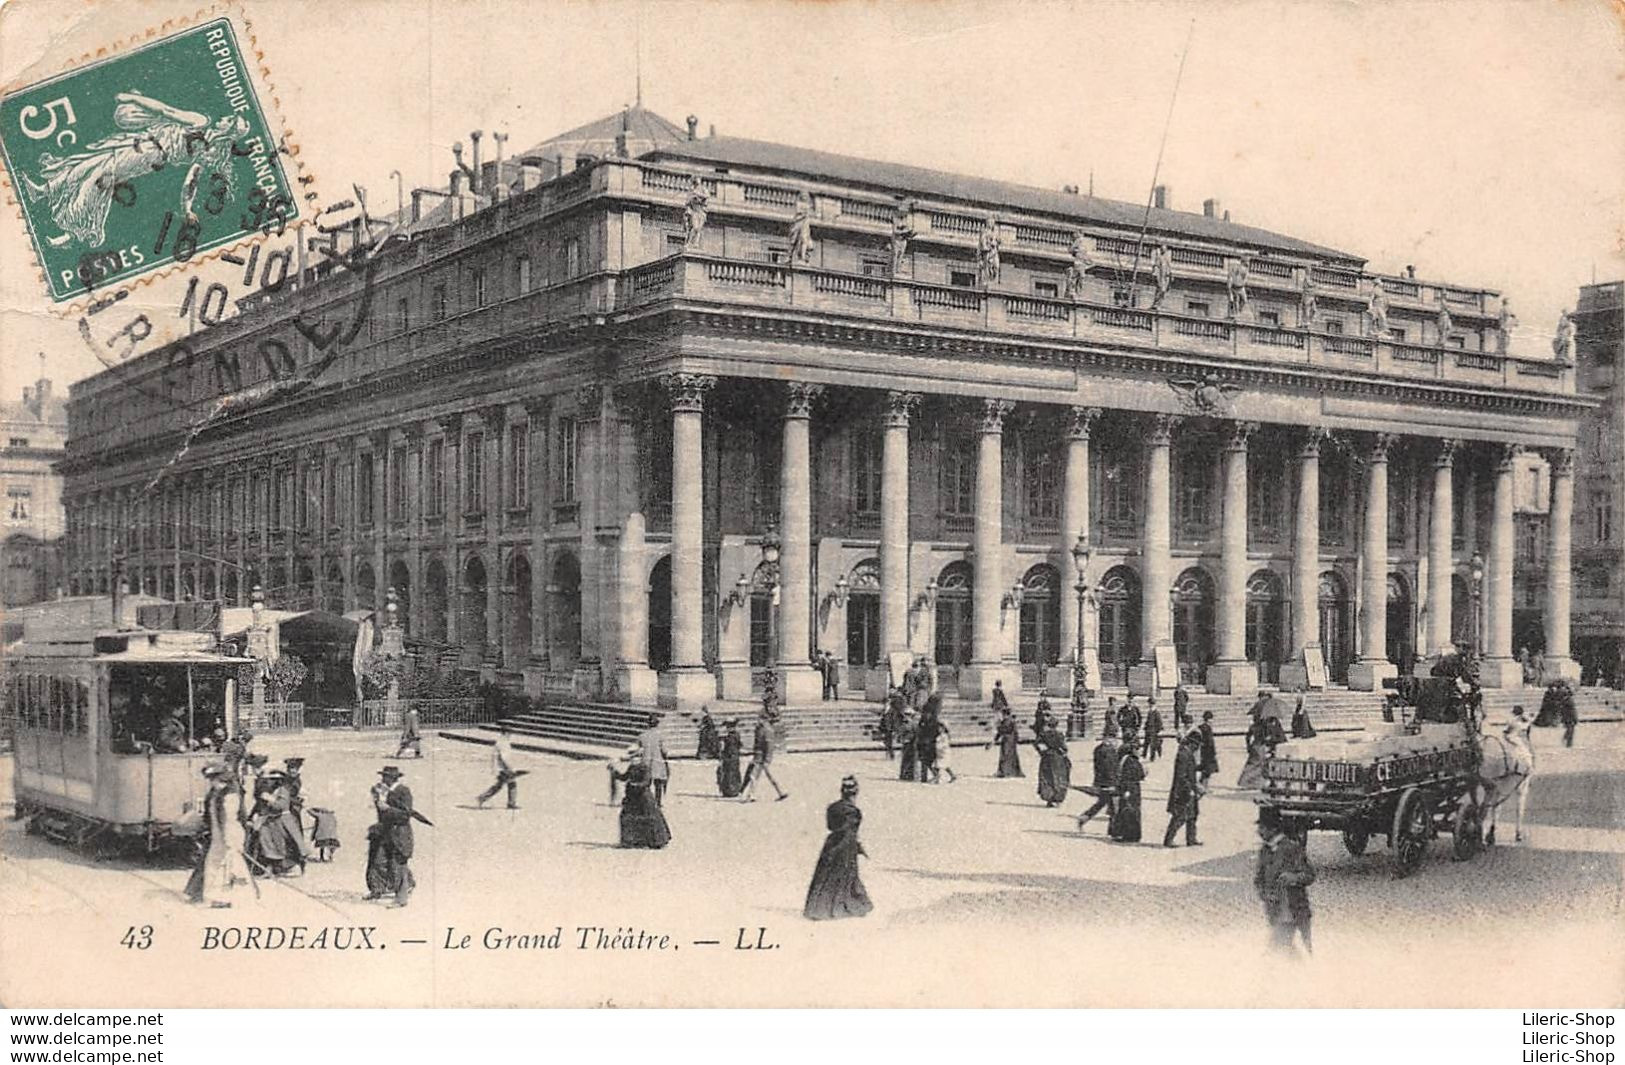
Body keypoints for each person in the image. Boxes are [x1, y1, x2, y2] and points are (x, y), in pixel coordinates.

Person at [803, 776, 872, 921]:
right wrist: (858, 847)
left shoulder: (832, 807)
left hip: (831, 843)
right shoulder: (854, 812)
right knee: (846, 876)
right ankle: (843, 905)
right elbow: (851, 831)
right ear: (855, 793)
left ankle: (818, 907)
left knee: (826, 876)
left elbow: (830, 826)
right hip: (846, 846)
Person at [184, 764, 252, 907]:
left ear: (222, 779)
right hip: (217, 836)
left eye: (214, 779)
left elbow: (230, 819)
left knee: (230, 866)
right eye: (211, 780)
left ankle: (231, 898)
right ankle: (214, 897)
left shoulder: (231, 796)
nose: (212, 783)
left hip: (229, 835)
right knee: (213, 866)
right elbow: (212, 816)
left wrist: (230, 839)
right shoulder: (215, 794)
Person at [1254, 809, 1315, 958]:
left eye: (1262, 827)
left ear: (1273, 829)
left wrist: (1293, 878)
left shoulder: (1292, 848)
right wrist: (1265, 894)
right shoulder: (1265, 850)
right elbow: (1258, 879)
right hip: (1276, 911)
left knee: (1282, 948)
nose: (1259, 831)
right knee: (1288, 949)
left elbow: (1309, 875)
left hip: (1294, 910)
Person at [372, 766, 423, 907]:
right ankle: (408, 883)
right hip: (386, 832)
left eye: (385, 777)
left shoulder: (403, 791)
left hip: (400, 833)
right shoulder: (384, 791)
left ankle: (401, 899)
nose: (382, 779)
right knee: (379, 862)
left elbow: (406, 815)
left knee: (398, 865)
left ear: (392, 778)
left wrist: (388, 808)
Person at [613, 759, 672, 849]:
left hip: (644, 798)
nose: (632, 760)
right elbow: (624, 777)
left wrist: (634, 784)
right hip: (632, 798)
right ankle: (631, 841)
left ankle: (655, 841)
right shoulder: (632, 767)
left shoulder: (645, 768)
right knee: (627, 817)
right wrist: (614, 772)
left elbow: (646, 782)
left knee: (648, 819)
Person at [1162, 731, 1204, 847]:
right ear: (1192, 744)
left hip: (1190, 788)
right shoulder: (1183, 754)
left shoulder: (1187, 753)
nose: (1197, 748)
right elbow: (1181, 776)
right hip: (1182, 791)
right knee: (1179, 816)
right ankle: (1168, 840)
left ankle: (1191, 839)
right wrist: (1189, 789)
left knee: (1193, 815)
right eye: (1197, 745)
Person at [1076, 729, 1121, 831]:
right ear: (1109, 738)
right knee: (1114, 805)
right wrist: (1114, 782)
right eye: (1114, 739)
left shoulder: (1098, 749)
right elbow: (1109, 768)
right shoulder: (1108, 751)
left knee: (1102, 802)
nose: (1116, 741)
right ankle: (1114, 829)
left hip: (1101, 780)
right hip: (1109, 782)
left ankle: (1084, 818)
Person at [741, 713, 788, 802]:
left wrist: (767, 759)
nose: (758, 721)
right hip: (758, 757)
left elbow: (769, 746)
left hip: (762, 758)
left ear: (765, 720)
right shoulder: (760, 729)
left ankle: (781, 792)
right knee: (757, 776)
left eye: (761, 719)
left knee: (756, 776)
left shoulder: (767, 730)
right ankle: (752, 795)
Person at [1237, 708, 1287, 789]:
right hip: (1262, 747)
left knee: (1252, 765)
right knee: (1260, 766)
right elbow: (1268, 737)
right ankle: (1253, 783)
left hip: (1255, 746)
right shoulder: (1265, 726)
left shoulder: (1253, 726)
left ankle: (1246, 782)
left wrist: (1248, 746)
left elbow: (1248, 737)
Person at [476, 724, 522, 809]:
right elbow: (504, 757)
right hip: (503, 768)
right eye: (509, 733)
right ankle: (510, 803)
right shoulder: (503, 743)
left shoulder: (501, 742)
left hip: (501, 767)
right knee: (509, 784)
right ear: (505, 733)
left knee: (502, 785)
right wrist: (510, 767)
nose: (510, 735)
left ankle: (483, 798)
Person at [1109, 744, 1145, 843]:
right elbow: (1135, 775)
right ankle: (1129, 835)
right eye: (1138, 749)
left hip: (1132, 789)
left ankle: (1129, 834)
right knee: (1129, 811)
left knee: (1130, 810)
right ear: (1133, 750)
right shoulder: (1131, 761)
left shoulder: (1130, 760)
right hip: (1130, 789)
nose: (1140, 751)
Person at [1035, 714, 1071, 807]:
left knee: (1047, 777)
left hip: (1047, 757)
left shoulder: (1043, 734)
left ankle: (1049, 798)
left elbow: (1036, 744)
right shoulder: (1059, 735)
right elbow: (1064, 748)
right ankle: (1057, 798)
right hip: (1057, 758)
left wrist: (1042, 752)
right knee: (1059, 777)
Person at [637, 718, 671, 805]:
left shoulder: (642, 736)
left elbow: (639, 750)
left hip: (646, 761)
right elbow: (664, 750)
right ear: (657, 725)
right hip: (657, 761)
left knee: (646, 783)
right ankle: (657, 802)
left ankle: (645, 801)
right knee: (658, 784)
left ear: (648, 724)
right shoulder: (661, 736)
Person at [915, 696, 942, 783]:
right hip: (924, 741)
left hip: (930, 742)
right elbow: (919, 728)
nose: (925, 714)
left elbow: (936, 732)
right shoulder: (926, 720)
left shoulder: (934, 721)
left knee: (928, 760)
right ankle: (925, 777)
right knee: (925, 760)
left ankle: (935, 775)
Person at [994, 705, 1024, 778]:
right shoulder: (1011, 721)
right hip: (1012, 740)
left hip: (1007, 740)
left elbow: (1003, 731)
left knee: (1005, 755)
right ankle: (1013, 771)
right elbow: (1015, 731)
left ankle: (1005, 771)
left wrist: (998, 726)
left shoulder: (1007, 721)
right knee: (1012, 755)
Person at [716, 720, 745, 797]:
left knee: (729, 773)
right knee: (733, 773)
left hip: (730, 757)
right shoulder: (736, 735)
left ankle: (730, 790)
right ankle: (734, 790)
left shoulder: (731, 737)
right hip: (734, 756)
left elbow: (728, 748)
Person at [1198, 710, 1220, 787]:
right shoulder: (1207, 728)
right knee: (1207, 770)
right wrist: (1213, 752)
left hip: (1203, 751)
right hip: (1208, 752)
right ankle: (1203, 786)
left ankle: (1202, 785)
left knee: (1205, 769)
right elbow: (1210, 741)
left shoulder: (1200, 727)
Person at [897, 709, 920, 782]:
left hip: (912, 743)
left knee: (912, 760)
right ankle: (904, 775)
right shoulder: (903, 724)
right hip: (905, 743)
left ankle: (912, 776)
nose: (906, 716)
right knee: (905, 759)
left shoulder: (914, 724)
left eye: (908, 714)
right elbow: (900, 732)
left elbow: (916, 734)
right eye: (905, 714)